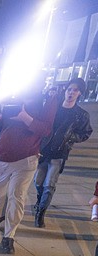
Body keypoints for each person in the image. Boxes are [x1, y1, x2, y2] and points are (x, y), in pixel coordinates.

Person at [0, 84, 58, 253]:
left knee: (16, 197)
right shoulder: (9, 98)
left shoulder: (46, 102)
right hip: (1, 157)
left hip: (26, 159)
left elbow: (46, 130)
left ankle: (9, 237)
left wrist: (25, 117)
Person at [32, 78, 93, 227]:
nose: (71, 92)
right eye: (69, 89)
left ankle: (41, 213)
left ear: (79, 93)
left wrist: (70, 137)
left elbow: (85, 133)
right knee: (38, 182)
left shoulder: (81, 114)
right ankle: (40, 201)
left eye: (75, 90)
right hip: (44, 151)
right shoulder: (53, 107)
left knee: (49, 185)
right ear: (65, 91)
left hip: (59, 154)